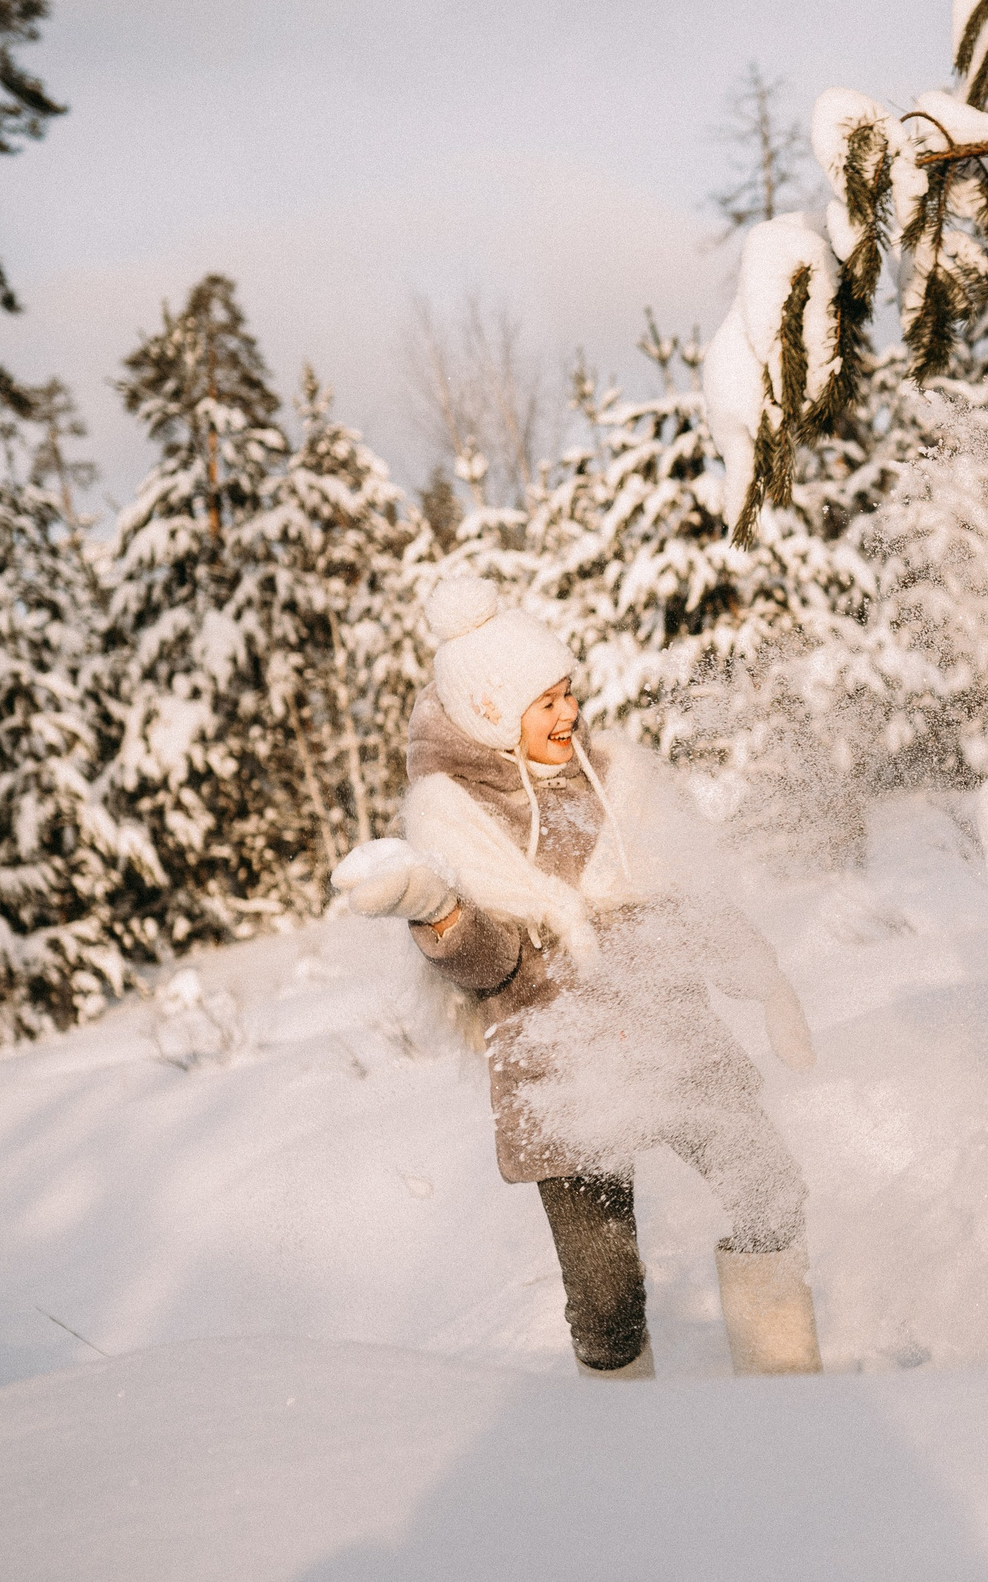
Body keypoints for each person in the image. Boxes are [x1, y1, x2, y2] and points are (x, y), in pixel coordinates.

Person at [331, 577, 824, 1379]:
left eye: (568, 693)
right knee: (607, 1297)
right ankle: (617, 1454)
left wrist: (765, 981)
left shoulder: (617, 775)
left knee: (768, 1191)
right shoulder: (454, 817)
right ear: (493, 710)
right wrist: (437, 907)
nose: (568, 714)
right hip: (558, 1070)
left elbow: (691, 900)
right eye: (545, 701)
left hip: (672, 1035)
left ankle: (789, 1396)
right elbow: (489, 966)